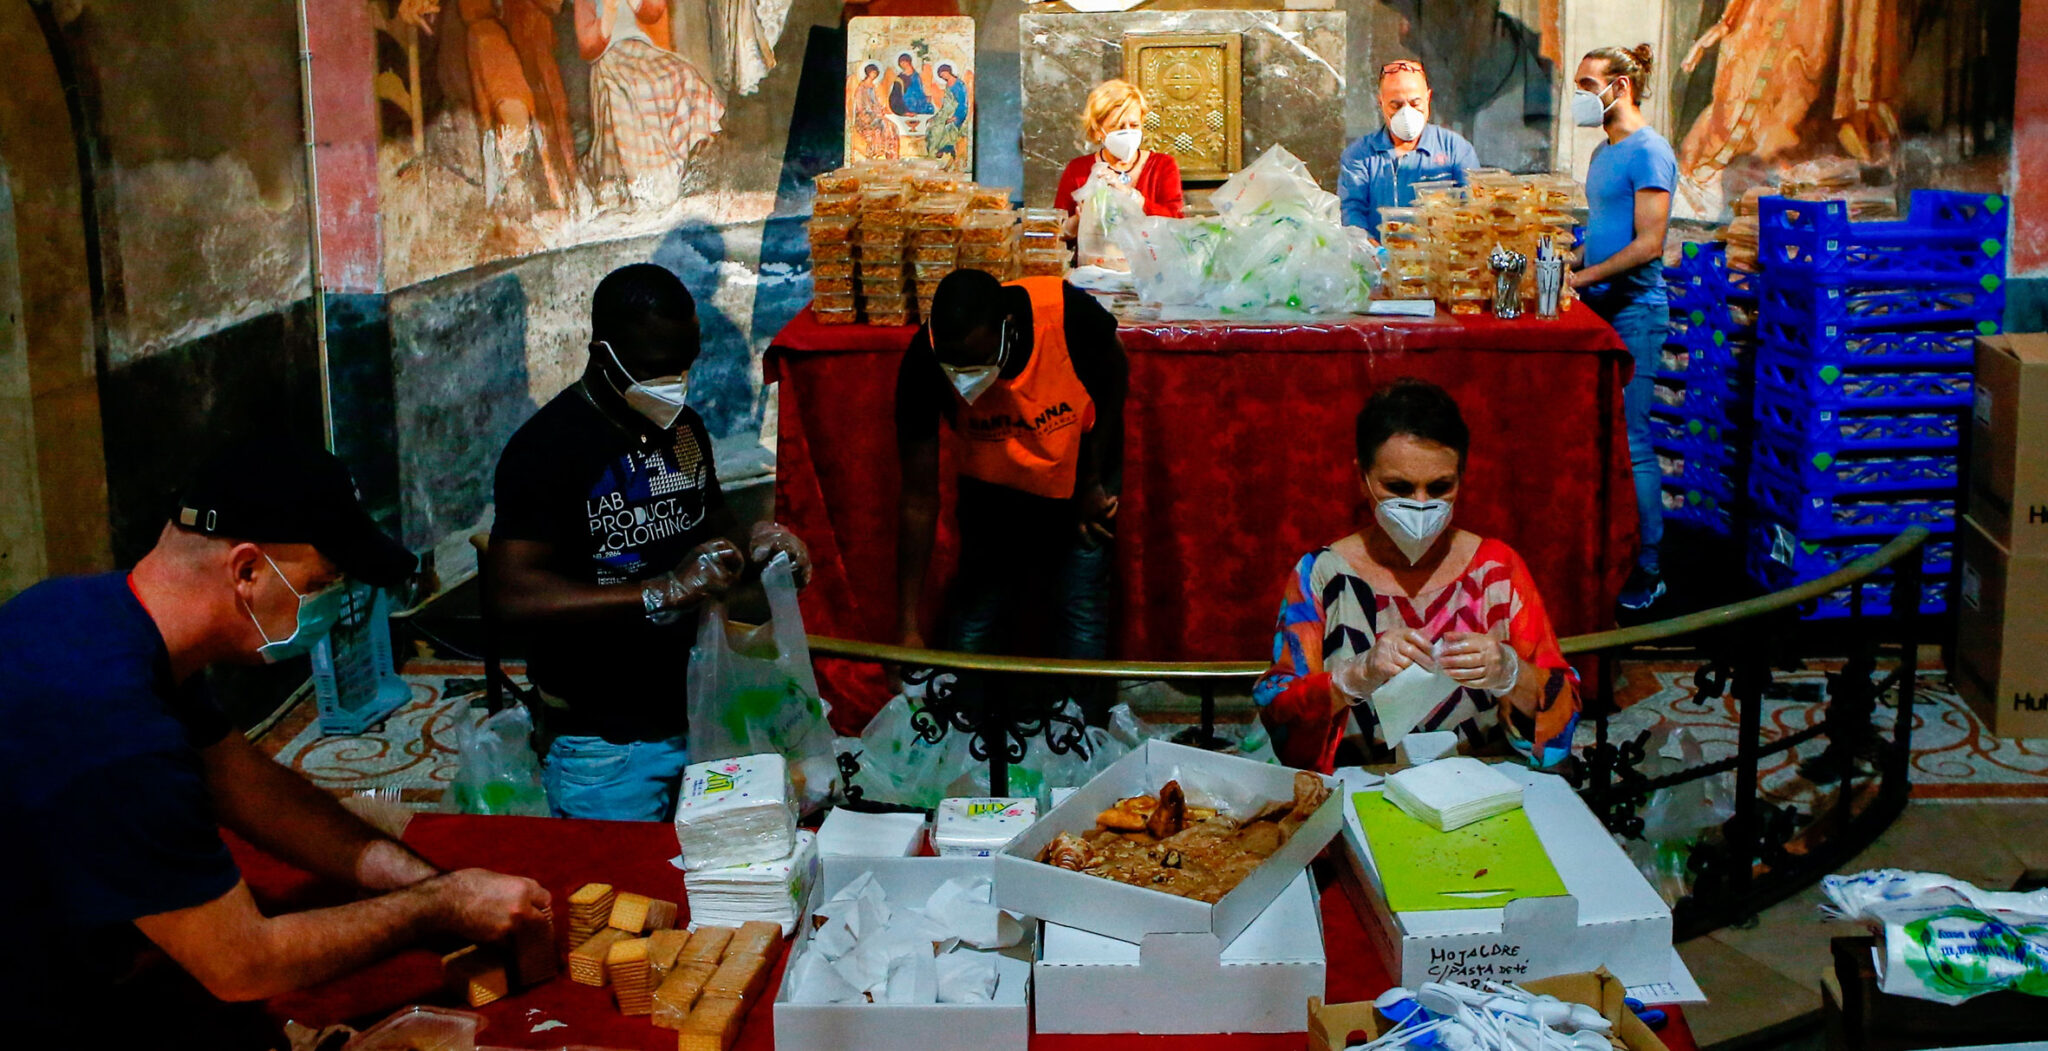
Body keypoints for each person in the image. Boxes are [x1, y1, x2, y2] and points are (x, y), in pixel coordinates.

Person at [0, 443, 552, 1050]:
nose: (331, 608)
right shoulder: (113, 729)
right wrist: (437, 907)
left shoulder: (93, 614)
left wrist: (421, 881)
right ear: (246, 572)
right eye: (323, 584)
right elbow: (243, 964)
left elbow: (253, 791)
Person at [488, 264, 810, 821]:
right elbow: (512, 593)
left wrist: (759, 545)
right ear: (602, 352)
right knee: (618, 897)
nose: (671, 384)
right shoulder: (549, 449)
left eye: (681, 367)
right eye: (654, 370)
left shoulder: (683, 430)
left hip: (699, 713)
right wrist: (657, 592)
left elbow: (712, 529)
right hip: (605, 742)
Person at [1254, 380, 1581, 774]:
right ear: (1362, 479)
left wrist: (1511, 672)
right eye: (1398, 487)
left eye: (1441, 487)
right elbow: (1277, 711)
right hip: (1359, 783)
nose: (1421, 505)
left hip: (1478, 781)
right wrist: (1353, 677)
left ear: (1462, 477)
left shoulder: (1496, 570)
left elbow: (1563, 706)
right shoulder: (1323, 575)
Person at [895, 269, 1127, 672]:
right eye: (955, 366)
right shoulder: (924, 358)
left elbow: (1115, 374)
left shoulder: (1068, 316)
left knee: (1080, 610)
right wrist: (907, 626)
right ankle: (965, 724)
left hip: (1077, 470)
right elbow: (918, 499)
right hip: (992, 487)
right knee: (976, 613)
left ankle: (1082, 730)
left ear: (1009, 329)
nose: (966, 377)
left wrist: (1092, 480)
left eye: (978, 362)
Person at [1568, 44, 1678, 612]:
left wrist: (1583, 279)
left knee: (1634, 440)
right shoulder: (1602, 153)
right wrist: (1569, 259)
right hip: (1599, 305)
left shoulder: (1648, 152)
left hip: (1634, 309)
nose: (1581, 96)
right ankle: (1609, 548)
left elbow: (1648, 244)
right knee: (1600, 439)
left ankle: (1649, 566)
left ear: (1621, 87)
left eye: (1589, 85)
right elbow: (1605, 229)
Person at [574, 0, 724, 211]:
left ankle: (687, 155)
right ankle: (649, 174)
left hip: (641, 50)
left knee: (682, 74)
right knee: (637, 88)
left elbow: (654, 11)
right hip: (611, 57)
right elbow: (587, 46)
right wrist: (607, 14)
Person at [1338, 59, 1480, 234]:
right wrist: (1370, 248)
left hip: (1439, 257)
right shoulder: (1359, 155)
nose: (1406, 113)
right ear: (1381, 103)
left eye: (1415, 104)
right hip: (1378, 257)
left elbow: (1474, 210)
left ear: (1428, 98)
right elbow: (1352, 211)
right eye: (1396, 105)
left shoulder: (1456, 150)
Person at [1054, 79, 1185, 238]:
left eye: (1134, 125)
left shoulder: (1163, 166)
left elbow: (1177, 224)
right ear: (1097, 130)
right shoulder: (1078, 170)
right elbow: (1056, 232)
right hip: (1095, 261)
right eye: (1118, 127)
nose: (1128, 132)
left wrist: (1131, 196)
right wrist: (1081, 219)